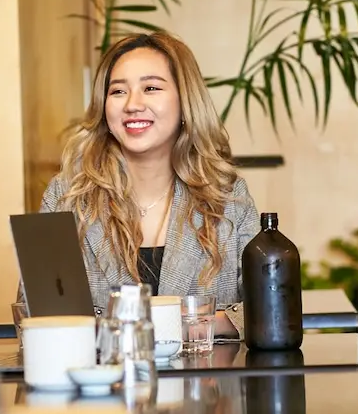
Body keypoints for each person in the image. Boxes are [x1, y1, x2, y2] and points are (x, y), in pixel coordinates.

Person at [38, 31, 260, 338]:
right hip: (103, 371)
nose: (132, 104)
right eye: (118, 91)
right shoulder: (67, 196)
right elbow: (37, 312)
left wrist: (189, 324)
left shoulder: (228, 197)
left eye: (151, 88)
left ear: (185, 102)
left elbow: (266, 309)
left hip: (205, 370)